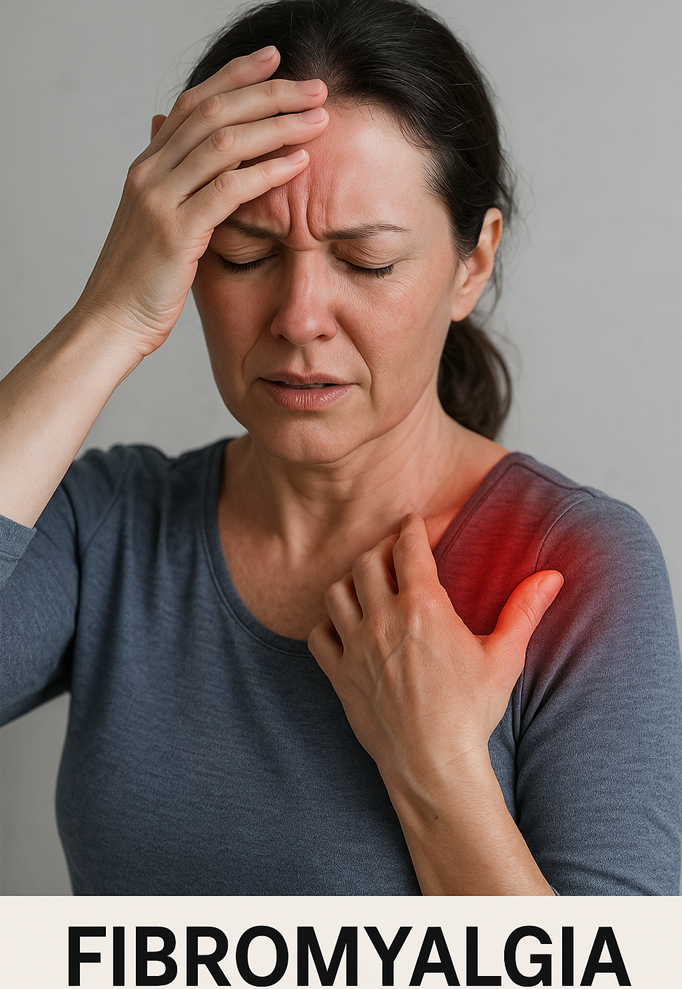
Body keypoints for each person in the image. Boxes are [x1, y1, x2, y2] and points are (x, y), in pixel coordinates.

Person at [1, 0, 680, 896]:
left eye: (365, 262)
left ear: (472, 264)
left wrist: (437, 769)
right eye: (244, 253)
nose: (299, 319)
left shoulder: (572, 568)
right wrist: (111, 316)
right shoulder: (108, 528)